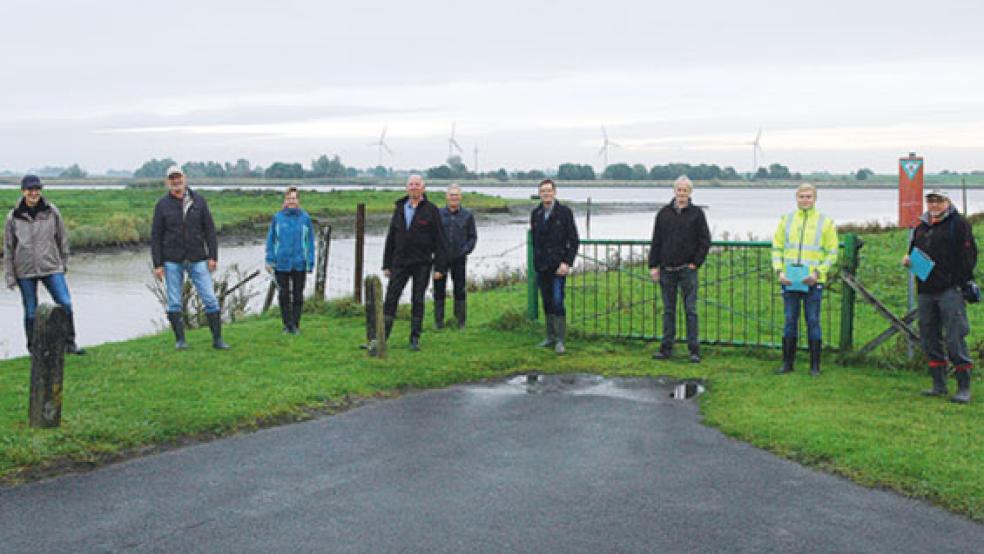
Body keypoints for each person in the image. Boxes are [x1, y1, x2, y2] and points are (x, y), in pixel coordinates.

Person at [903, 188, 977, 403]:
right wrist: (908, 261)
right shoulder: (921, 227)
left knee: (955, 337)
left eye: (938, 201)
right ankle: (939, 384)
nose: (934, 205)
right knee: (929, 337)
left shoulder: (958, 224)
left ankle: (964, 386)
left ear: (947, 202)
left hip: (950, 289)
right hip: (925, 289)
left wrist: (959, 281)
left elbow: (969, 256)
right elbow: (913, 251)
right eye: (931, 201)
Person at [3, 175, 85, 355]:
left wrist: (62, 262)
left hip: (51, 267)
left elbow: (62, 238)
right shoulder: (13, 217)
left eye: (37, 189)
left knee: (65, 303)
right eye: (30, 190)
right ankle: (34, 349)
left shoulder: (52, 211)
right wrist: (9, 275)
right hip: (25, 270)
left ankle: (69, 343)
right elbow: (8, 248)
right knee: (31, 311)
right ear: (23, 191)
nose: (34, 193)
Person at [151, 165, 230, 350]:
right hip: (172, 260)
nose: (176, 181)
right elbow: (156, 236)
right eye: (172, 179)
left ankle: (217, 340)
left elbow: (209, 230)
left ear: (184, 178)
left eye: (178, 177)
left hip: (198, 259)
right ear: (167, 182)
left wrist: (213, 256)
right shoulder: (162, 205)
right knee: (174, 301)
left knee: (210, 298)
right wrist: (158, 264)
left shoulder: (199, 201)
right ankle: (180, 341)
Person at [772, 183, 838, 376]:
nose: (805, 200)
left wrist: (818, 273)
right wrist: (779, 272)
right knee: (790, 320)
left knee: (813, 320)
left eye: (809, 196)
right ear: (796, 198)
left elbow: (832, 252)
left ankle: (815, 365)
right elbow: (777, 248)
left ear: (815, 199)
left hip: (813, 281)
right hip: (790, 280)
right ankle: (787, 363)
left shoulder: (825, 222)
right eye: (802, 196)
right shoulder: (787, 220)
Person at [379, 174, 448, 351]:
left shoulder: (432, 210)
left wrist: (440, 267)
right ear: (406, 188)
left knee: (417, 299)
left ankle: (414, 338)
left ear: (423, 188)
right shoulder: (400, 208)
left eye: (417, 185)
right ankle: (381, 338)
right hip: (399, 262)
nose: (414, 187)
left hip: (422, 263)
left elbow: (440, 240)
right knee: (391, 298)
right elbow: (391, 237)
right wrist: (386, 264)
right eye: (411, 185)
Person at [648, 175, 711, 363]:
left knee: (690, 310)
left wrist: (695, 263)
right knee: (668, 310)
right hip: (666, 269)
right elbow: (656, 241)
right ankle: (666, 347)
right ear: (674, 191)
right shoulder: (663, 214)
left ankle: (694, 349)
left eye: (685, 190)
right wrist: (653, 265)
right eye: (679, 190)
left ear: (690, 193)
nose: (682, 193)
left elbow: (705, 241)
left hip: (687, 269)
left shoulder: (697, 214)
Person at [531, 179, 579, 355]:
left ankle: (560, 339)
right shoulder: (535, 214)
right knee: (547, 301)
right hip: (542, 266)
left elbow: (573, 240)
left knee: (558, 300)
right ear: (539, 193)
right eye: (543, 191)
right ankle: (550, 336)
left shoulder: (565, 213)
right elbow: (535, 241)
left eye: (549, 191)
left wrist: (567, 262)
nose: (546, 194)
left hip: (558, 266)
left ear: (555, 192)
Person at [265, 187, 316, 335]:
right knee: (284, 294)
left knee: (298, 294)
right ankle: (286, 325)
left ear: (298, 200)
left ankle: (296, 325)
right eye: (289, 198)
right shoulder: (278, 218)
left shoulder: (305, 219)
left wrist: (310, 261)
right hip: (282, 262)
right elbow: (271, 240)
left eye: (294, 198)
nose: (291, 201)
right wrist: (269, 259)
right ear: (285, 201)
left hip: (299, 262)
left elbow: (310, 242)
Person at [433, 183, 477, 329]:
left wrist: (465, 250)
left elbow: (472, 237)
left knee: (460, 288)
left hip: (459, 258)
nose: (454, 198)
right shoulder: (438, 214)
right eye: (451, 195)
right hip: (440, 258)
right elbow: (431, 235)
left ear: (460, 197)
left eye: (456, 195)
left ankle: (460, 322)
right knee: (439, 288)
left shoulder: (468, 216)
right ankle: (439, 322)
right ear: (447, 197)